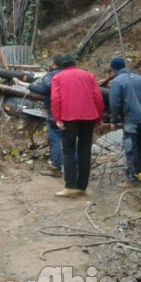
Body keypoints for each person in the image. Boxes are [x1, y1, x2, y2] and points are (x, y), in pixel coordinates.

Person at [51, 55, 105, 198]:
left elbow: (56, 99)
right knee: (85, 150)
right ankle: (82, 186)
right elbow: (98, 97)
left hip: (68, 117)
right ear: (76, 63)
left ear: (62, 65)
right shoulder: (89, 76)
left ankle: (70, 186)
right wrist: (99, 117)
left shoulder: (58, 78)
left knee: (68, 150)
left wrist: (58, 118)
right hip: (88, 117)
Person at [14, 55, 65, 177]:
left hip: (55, 111)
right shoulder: (69, 74)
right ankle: (73, 167)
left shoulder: (51, 75)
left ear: (53, 63)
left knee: (55, 138)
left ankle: (56, 168)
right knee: (69, 138)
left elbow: (43, 89)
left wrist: (23, 84)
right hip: (71, 111)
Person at [108, 57, 141, 186]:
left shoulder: (117, 82)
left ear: (114, 69)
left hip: (130, 120)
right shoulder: (140, 79)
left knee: (130, 149)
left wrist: (113, 120)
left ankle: (131, 178)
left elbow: (115, 103)